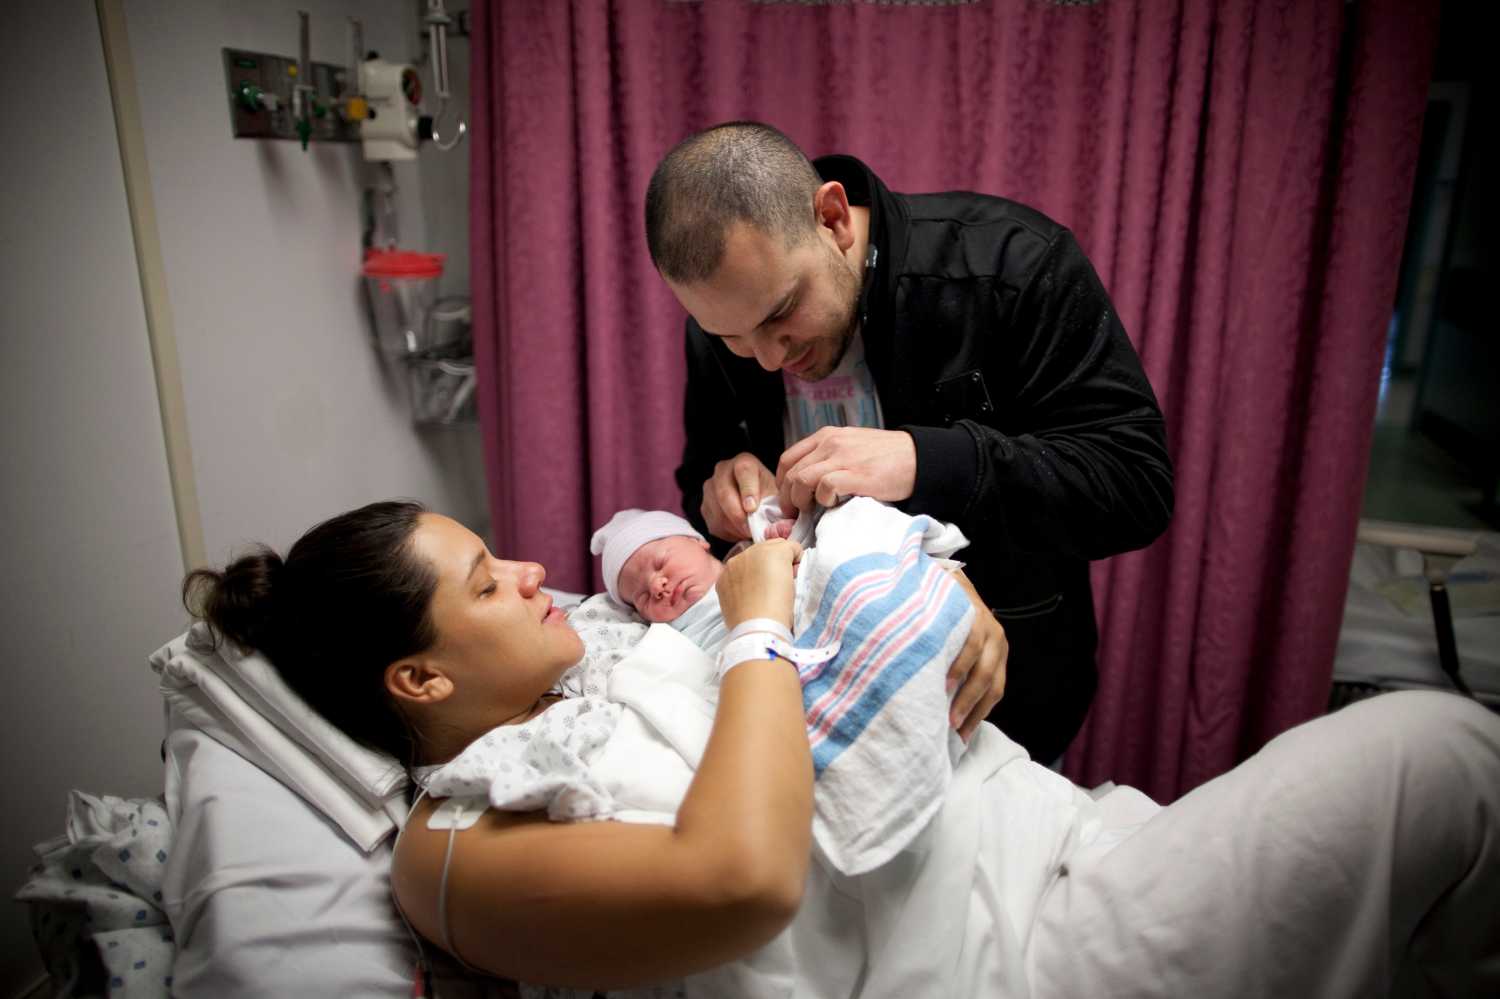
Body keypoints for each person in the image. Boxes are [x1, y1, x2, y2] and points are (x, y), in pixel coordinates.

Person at [184, 500, 1500, 998]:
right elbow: (746, 881)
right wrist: (757, 620)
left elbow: (835, 622)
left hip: (1060, 834)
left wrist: (946, 595)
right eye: (487, 581)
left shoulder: (602, 656)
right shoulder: (450, 849)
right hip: (1017, 961)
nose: (531, 571)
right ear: (419, 678)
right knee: (1441, 752)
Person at [646, 121, 1175, 764]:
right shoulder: (727, 319)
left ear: (832, 219)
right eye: (730, 336)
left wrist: (925, 459)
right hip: (816, 715)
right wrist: (720, 493)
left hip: (1001, 709)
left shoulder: (1010, 265)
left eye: (782, 313)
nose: (766, 358)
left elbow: (1134, 485)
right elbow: (701, 476)